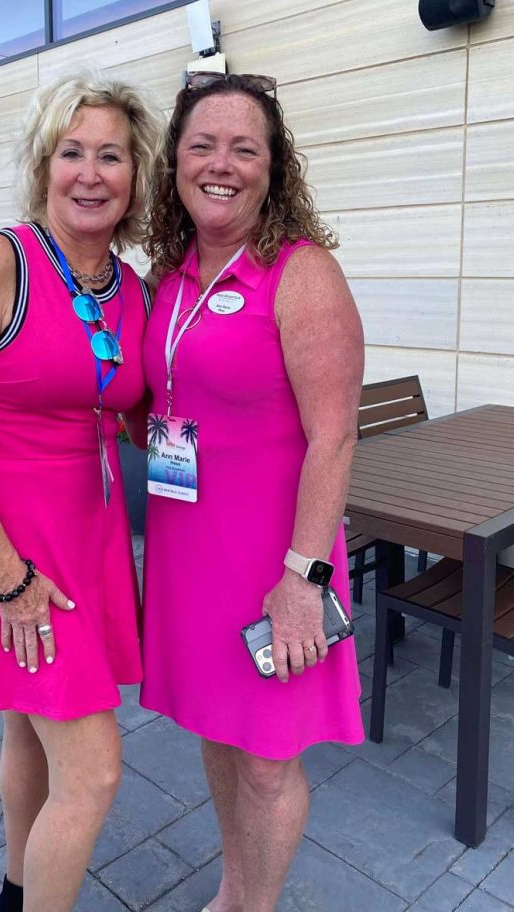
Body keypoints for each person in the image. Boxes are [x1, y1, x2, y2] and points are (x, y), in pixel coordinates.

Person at [0, 73, 162, 912]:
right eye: (71, 152)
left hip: (91, 541)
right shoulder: (1, 261)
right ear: (42, 165)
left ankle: (15, 893)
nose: (90, 173)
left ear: (135, 176)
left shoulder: (132, 290)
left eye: (111, 156)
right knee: (93, 774)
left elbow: (141, 421)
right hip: (18, 551)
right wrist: (10, 579)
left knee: (29, 728)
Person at [140, 72, 365, 912]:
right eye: (202, 145)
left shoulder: (300, 274)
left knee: (268, 760)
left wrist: (303, 580)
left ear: (274, 167)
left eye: (244, 148)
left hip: (276, 562)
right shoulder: (170, 278)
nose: (220, 164)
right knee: (216, 728)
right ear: (175, 161)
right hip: (190, 553)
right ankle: (232, 893)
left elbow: (333, 438)